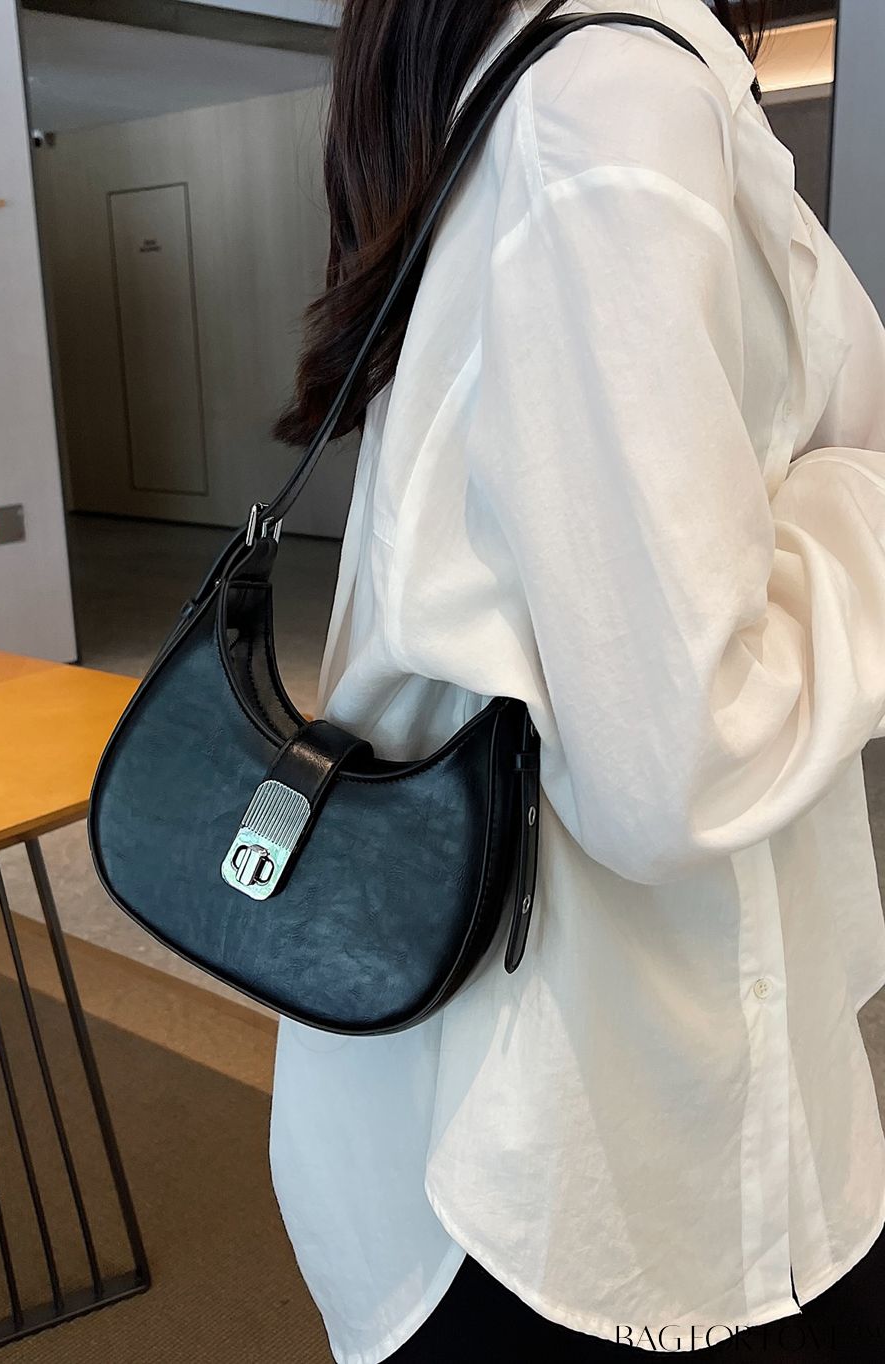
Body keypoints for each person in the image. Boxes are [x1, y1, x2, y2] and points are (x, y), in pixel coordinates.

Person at [267, 0, 885, 1359]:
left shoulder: (568, 88)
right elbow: (681, 762)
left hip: (593, 1094)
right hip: (562, 1147)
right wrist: (860, 506)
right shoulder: (602, 104)